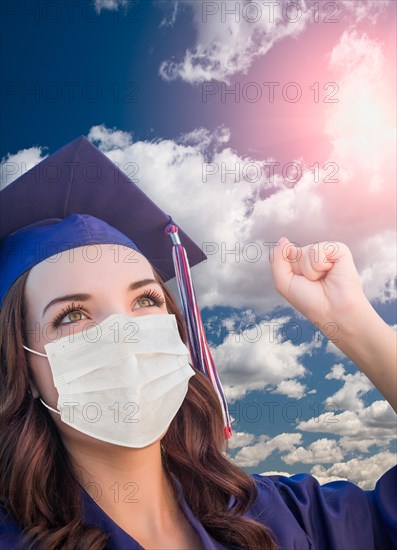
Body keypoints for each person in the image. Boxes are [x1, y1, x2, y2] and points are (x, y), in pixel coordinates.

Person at [0, 137, 395, 550]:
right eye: (72, 315)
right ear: (23, 367)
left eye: (145, 301)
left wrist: (351, 322)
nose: (124, 333)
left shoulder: (281, 516)